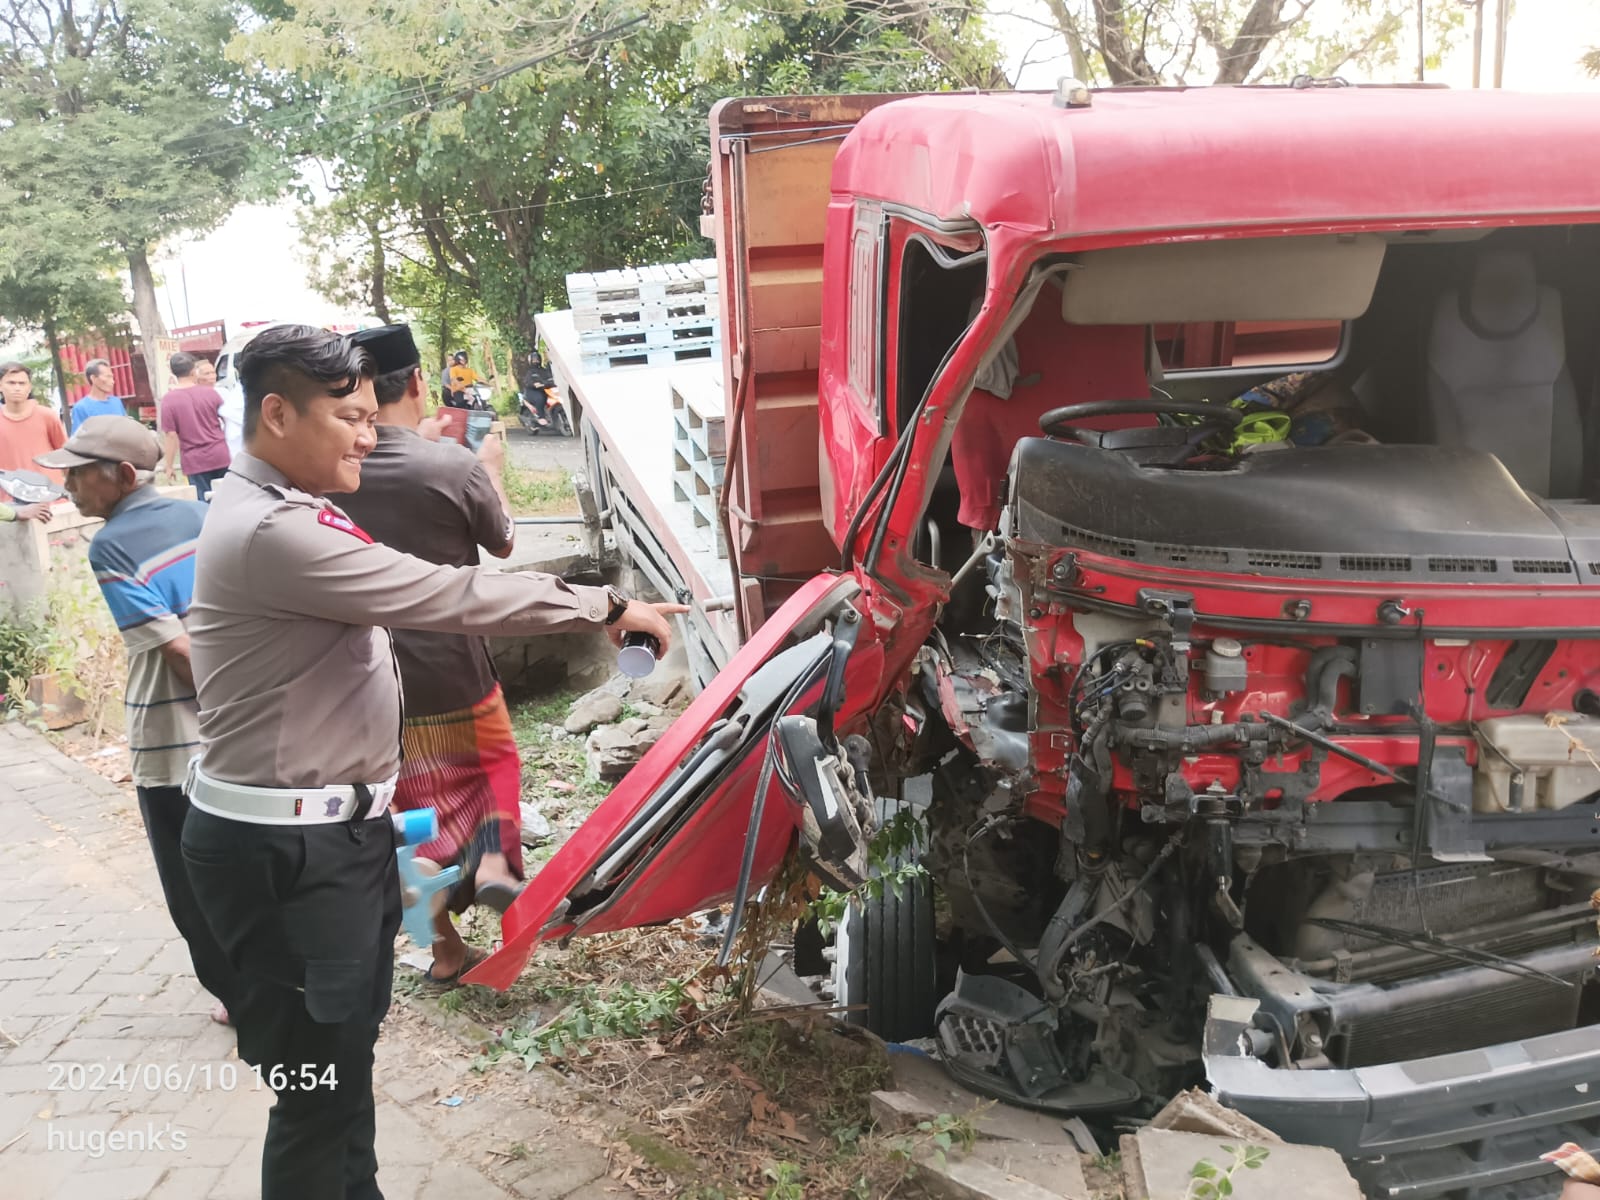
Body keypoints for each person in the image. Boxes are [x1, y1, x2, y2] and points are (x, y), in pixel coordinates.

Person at [180, 324, 683, 1200]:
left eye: (373, 415)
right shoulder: (272, 533)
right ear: (276, 413)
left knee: (340, 1076)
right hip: (286, 859)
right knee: (314, 1097)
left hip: (325, 840)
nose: (369, 437)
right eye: (349, 417)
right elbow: (445, 591)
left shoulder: (285, 505)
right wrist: (601, 603)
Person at [33, 416, 238, 1027]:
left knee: (187, 876)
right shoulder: (204, 518)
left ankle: (237, 994)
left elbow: (175, 651)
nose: (67, 486)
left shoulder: (110, 544)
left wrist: (221, 709)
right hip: (242, 728)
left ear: (121, 476)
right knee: (243, 858)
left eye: (77, 474)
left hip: (175, 739)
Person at [334, 325, 524, 984]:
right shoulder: (449, 464)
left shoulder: (327, 474)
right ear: (418, 382)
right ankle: (496, 868)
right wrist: (490, 470)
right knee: (493, 771)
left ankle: (443, 948)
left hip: (364, 689)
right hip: (455, 673)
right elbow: (501, 545)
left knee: (403, 813)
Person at [158, 351, 230, 501]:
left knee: (204, 505)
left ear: (173, 372)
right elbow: (228, 420)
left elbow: (171, 436)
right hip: (220, 454)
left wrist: (169, 465)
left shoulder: (169, 400)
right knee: (228, 500)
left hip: (195, 461)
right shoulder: (211, 393)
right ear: (193, 370)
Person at [0, 362, 68, 486]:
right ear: (0, 386)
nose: (17, 388)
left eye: (22, 383)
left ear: (29, 387)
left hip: (51, 496)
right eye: (11, 383)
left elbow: (65, 456)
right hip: (10, 500)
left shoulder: (47, 416)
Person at [71, 359, 127, 431]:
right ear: (93, 378)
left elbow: (126, 429)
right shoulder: (81, 408)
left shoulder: (117, 402)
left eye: (112, 377)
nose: (112, 381)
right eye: (108, 377)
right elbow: (78, 439)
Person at [520, 351, 554, 426]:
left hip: (545, 390)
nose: (536, 361)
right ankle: (541, 416)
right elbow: (527, 382)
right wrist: (534, 384)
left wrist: (549, 383)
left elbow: (550, 378)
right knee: (540, 398)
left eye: (537, 359)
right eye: (534, 360)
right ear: (530, 361)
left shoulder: (544, 371)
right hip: (532, 392)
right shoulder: (529, 372)